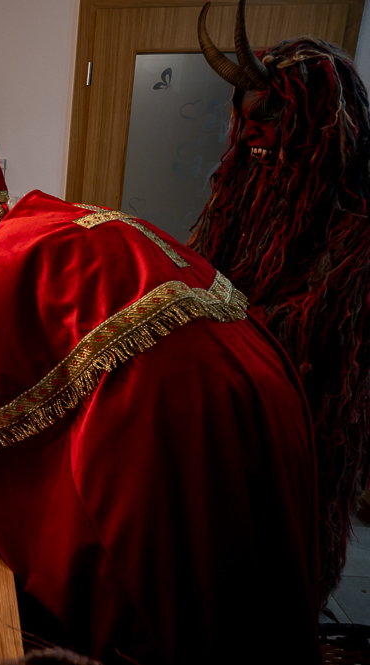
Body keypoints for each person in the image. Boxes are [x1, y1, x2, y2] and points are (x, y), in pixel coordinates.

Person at [0, 70, 319, 663]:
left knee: (170, 597)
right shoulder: (36, 217)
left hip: (180, 411)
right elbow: (16, 385)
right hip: (257, 370)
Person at [191, 0, 370, 604]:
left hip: (305, 424)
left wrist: (231, 325)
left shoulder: (355, 222)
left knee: (285, 560)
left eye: (267, 119)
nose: (249, 136)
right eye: (244, 121)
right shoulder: (242, 186)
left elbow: (320, 325)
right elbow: (204, 265)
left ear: (315, 121)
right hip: (232, 414)